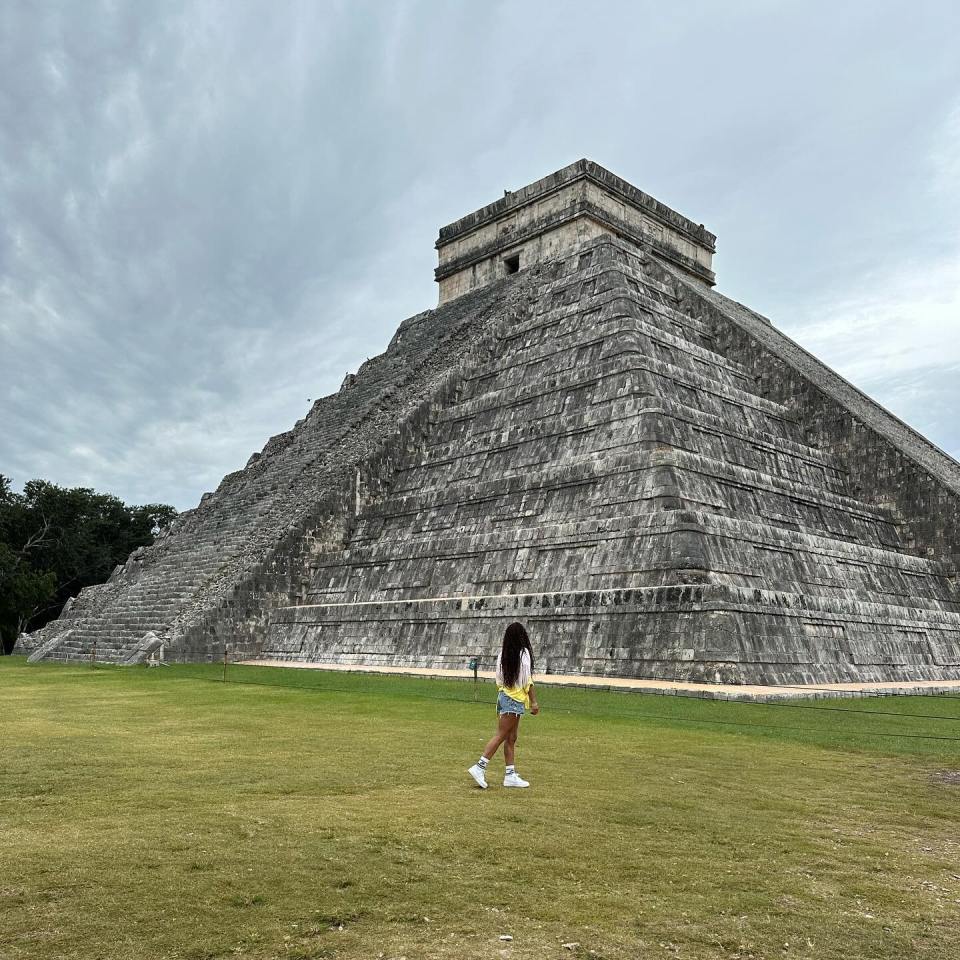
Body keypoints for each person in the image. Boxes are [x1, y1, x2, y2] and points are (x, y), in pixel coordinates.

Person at [468, 621, 540, 789]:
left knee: (511, 737)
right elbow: (527, 681)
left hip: (504, 697)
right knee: (501, 735)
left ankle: (510, 774)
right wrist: (533, 701)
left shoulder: (503, 654)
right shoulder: (524, 654)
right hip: (514, 700)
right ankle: (480, 766)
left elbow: (499, 679)